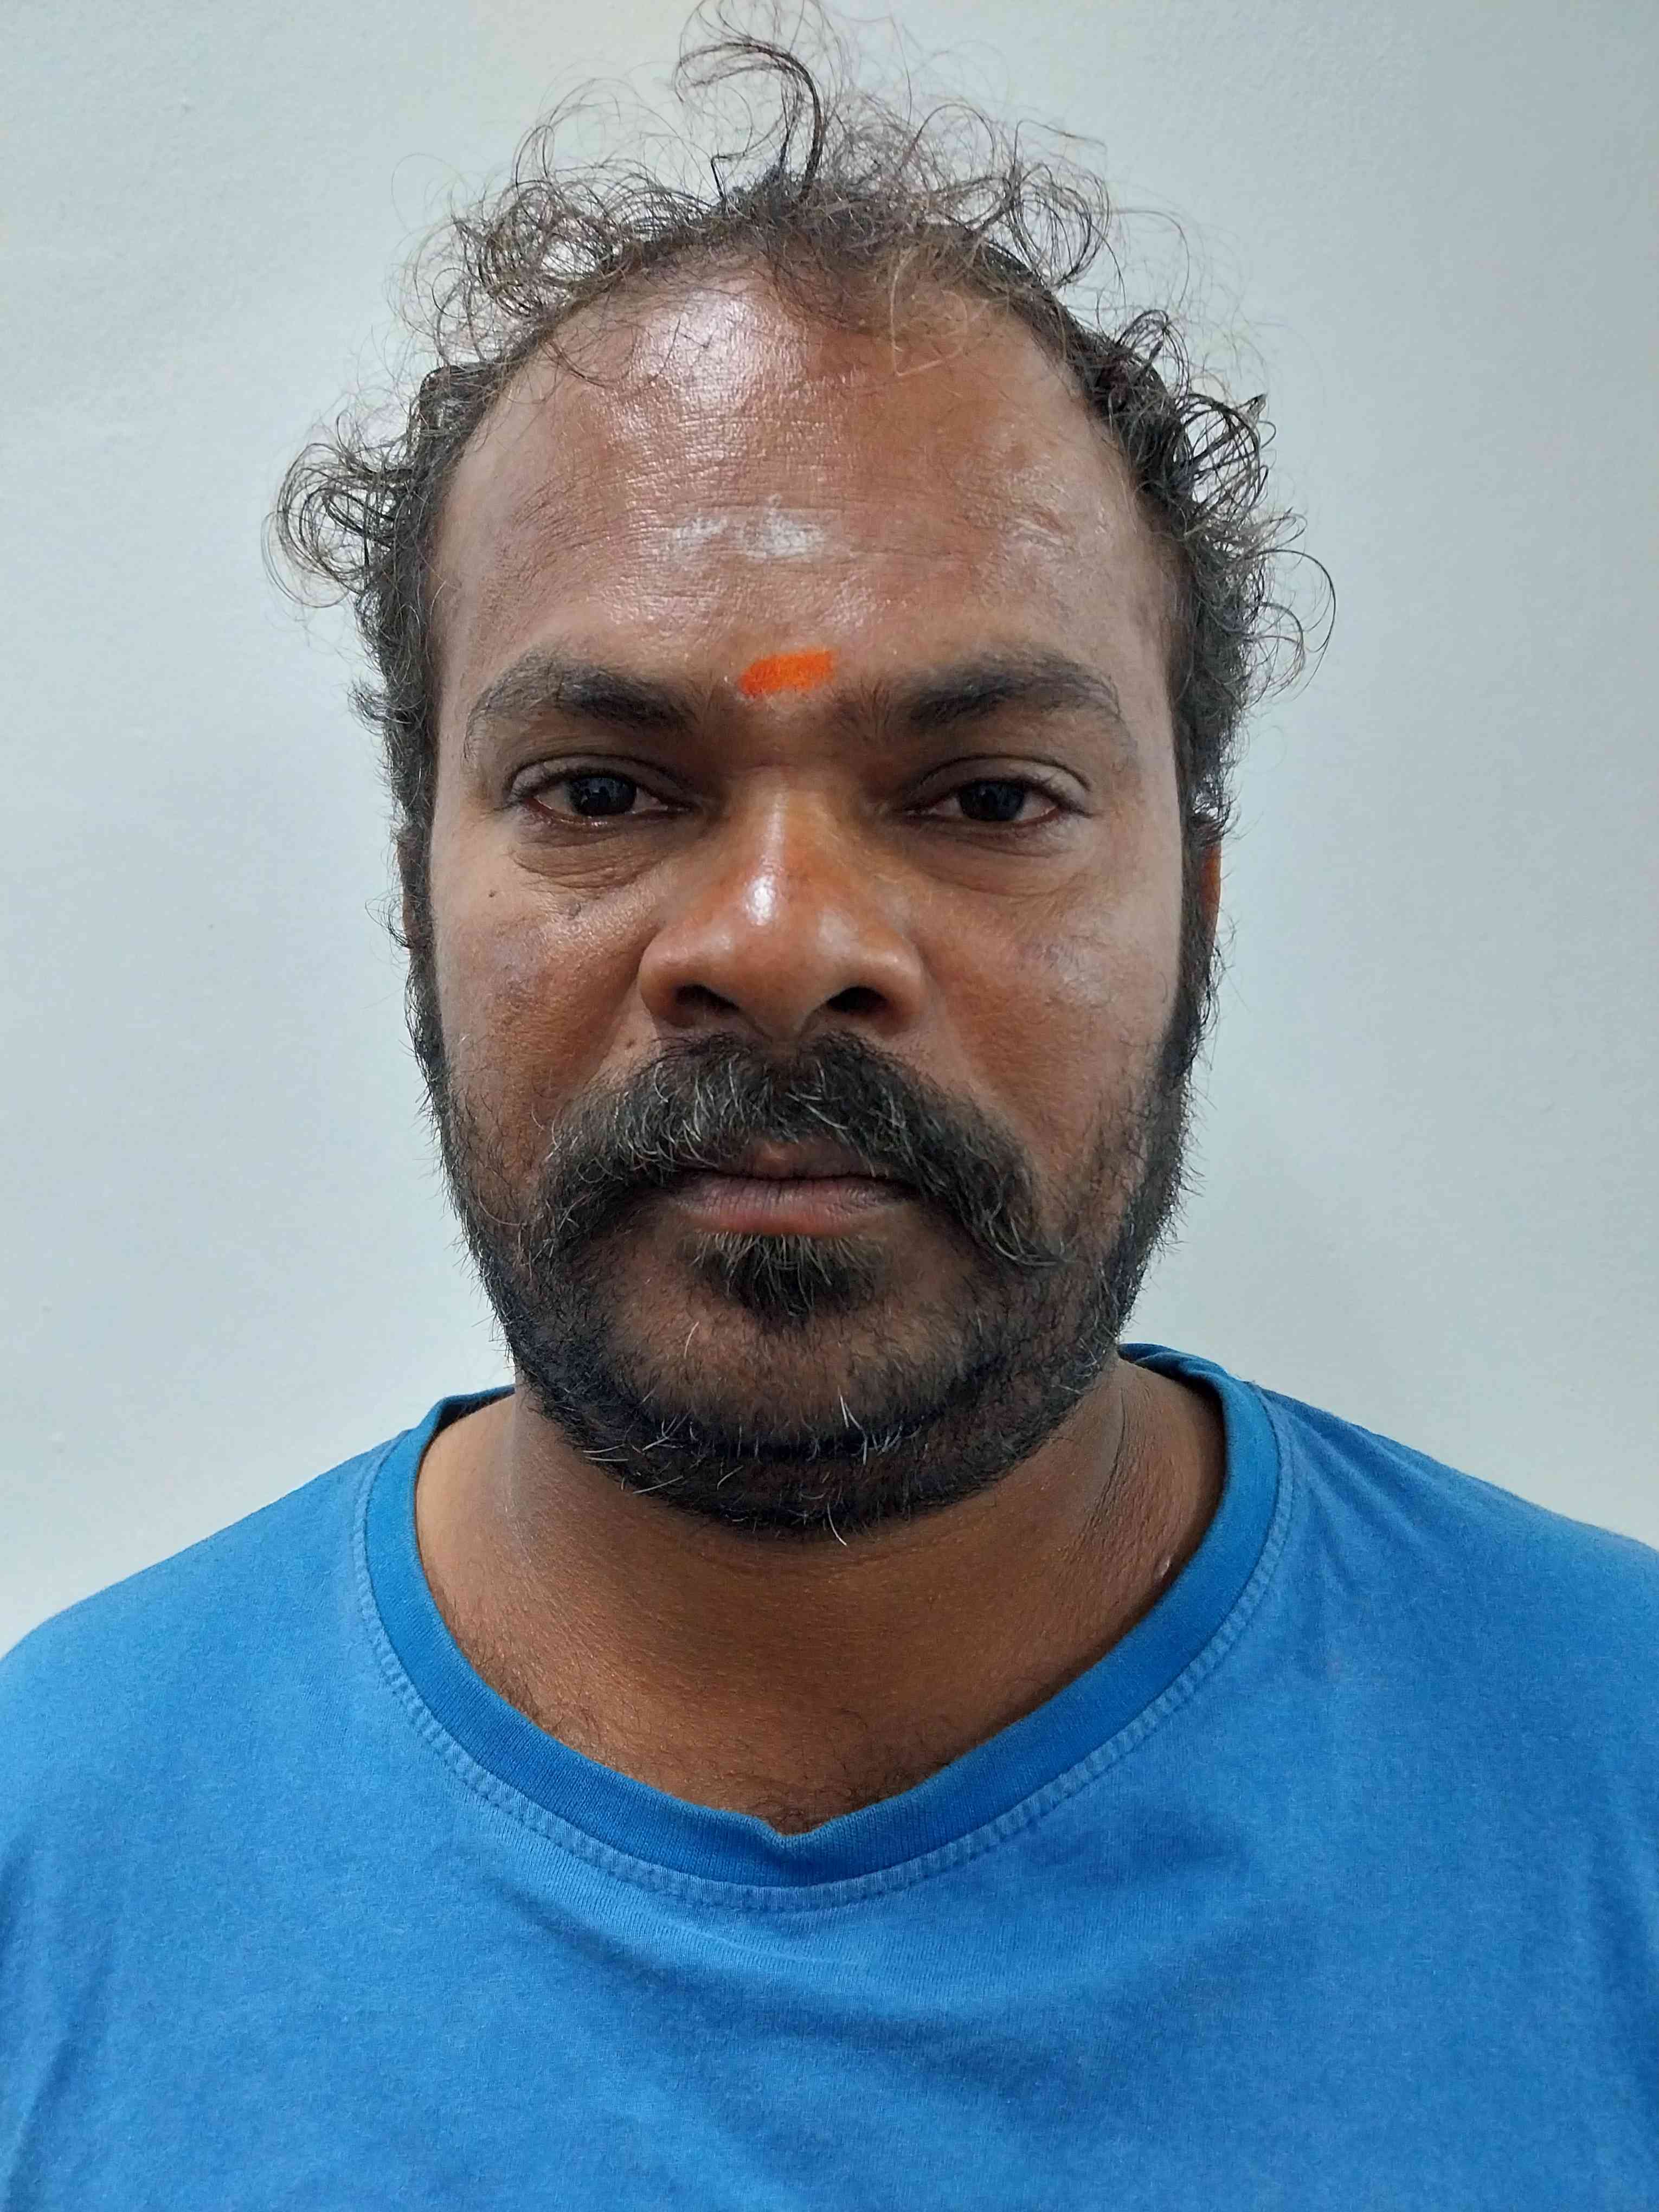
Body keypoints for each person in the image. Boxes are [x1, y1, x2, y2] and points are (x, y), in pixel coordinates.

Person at [3, 17, 1654, 2205]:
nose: (778, 945)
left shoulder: (1619, 1784)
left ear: (1198, 908)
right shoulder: (50, 1867)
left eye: (985, 797)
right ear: (414, 887)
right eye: (603, 791)